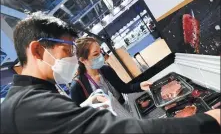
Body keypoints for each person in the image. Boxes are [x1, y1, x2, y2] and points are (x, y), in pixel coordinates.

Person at [1, 11, 220, 134]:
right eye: (67, 51)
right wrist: (207, 122)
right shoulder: (30, 105)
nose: (70, 58)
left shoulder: (32, 98)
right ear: (37, 50)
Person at [70, 37, 152, 107]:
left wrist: (140, 85)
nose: (100, 56)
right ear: (83, 60)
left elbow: (123, 88)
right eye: (95, 54)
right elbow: (81, 116)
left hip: (123, 109)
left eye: (100, 52)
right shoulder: (77, 87)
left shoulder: (106, 70)